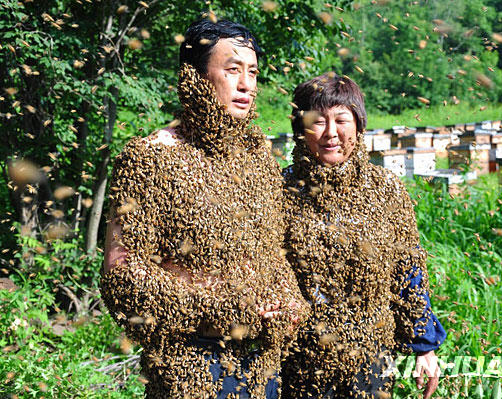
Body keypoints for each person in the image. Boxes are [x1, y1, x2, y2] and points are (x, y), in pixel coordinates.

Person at [101, 18, 309, 399]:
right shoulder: (151, 157)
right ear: (194, 77)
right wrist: (221, 309)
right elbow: (123, 275)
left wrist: (289, 300)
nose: (247, 84)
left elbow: (271, 252)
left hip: (263, 364)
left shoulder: (259, 158)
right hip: (190, 365)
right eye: (232, 70)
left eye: (253, 73)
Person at [280, 72, 446, 399]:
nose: (331, 133)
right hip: (298, 362)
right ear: (300, 131)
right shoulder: (278, 191)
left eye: (342, 120)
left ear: (359, 125)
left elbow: (407, 270)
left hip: (371, 355)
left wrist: (424, 347)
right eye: (317, 121)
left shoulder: (386, 190)